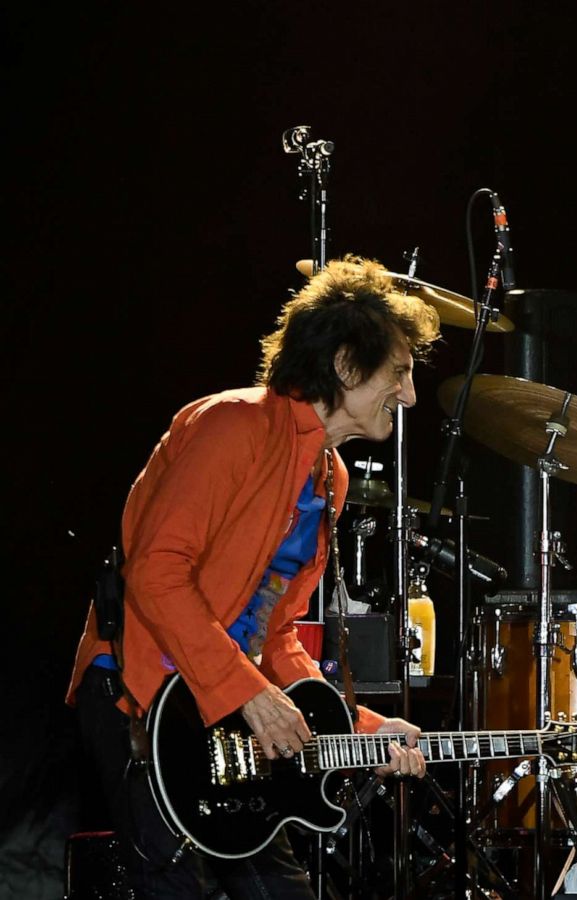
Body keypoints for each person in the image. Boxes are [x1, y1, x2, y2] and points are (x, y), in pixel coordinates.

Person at [65, 256, 442, 898]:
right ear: (347, 366)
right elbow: (154, 572)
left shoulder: (332, 478)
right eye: (399, 372)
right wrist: (245, 691)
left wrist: (365, 730)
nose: (409, 396)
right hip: (140, 699)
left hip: (225, 713)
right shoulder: (232, 424)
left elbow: (278, 636)